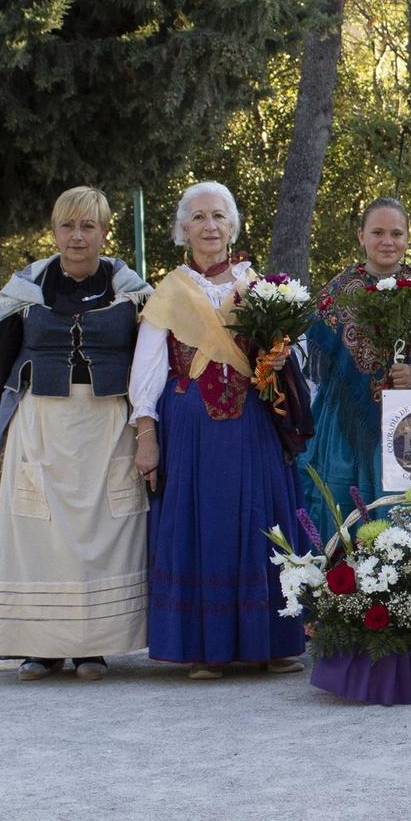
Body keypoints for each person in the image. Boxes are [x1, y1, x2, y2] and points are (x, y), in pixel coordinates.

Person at [0, 187, 152, 680]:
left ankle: (94, 646)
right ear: (54, 231)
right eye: (68, 226)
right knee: (37, 533)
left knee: (106, 532)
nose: (77, 236)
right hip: (42, 423)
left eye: (88, 226)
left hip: (108, 425)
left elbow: (152, 358)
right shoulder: (25, 289)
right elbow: (5, 354)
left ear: (105, 232)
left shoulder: (134, 293)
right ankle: (39, 646)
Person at [128, 181, 315, 680]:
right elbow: (147, 371)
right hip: (191, 427)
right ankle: (204, 647)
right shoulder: (168, 293)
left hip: (253, 421)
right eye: (198, 218)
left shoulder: (263, 287)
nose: (209, 226)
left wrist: (280, 356)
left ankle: (269, 642)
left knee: (261, 521)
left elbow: (293, 358)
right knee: (200, 525)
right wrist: (146, 434)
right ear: (182, 230)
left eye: (219, 216)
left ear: (232, 225)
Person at [300, 197, 411, 538]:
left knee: (405, 508)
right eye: (377, 232)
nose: (387, 241)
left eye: (396, 233)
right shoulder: (337, 291)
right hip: (345, 426)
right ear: (361, 236)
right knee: (341, 506)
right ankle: (342, 586)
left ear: (407, 238)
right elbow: (311, 360)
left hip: (410, 424)